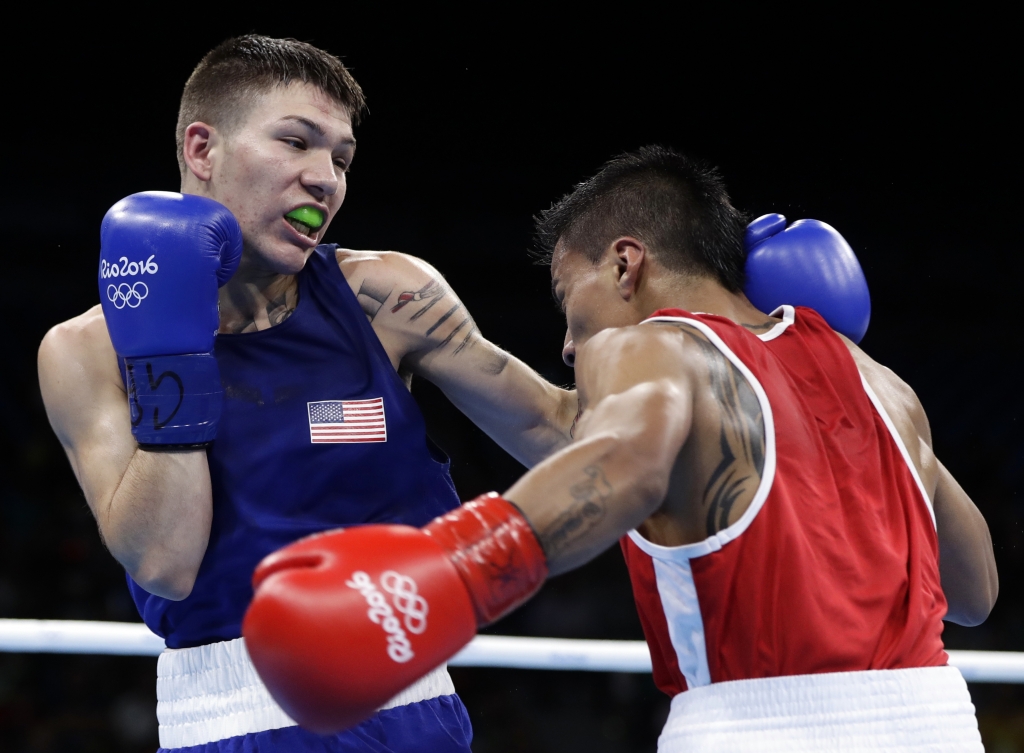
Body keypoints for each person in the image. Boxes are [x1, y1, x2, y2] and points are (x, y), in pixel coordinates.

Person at [244, 146, 999, 751]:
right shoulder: (879, 384)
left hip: (755, 726)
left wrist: (441, 577)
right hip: (939, 721)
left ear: (625, 263)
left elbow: (626, 463)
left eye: (570, 303)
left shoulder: (642, 345)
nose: (571, 345)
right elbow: (973, 592)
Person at [36, 35, 578, 752]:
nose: (325, 178)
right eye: (296, 141)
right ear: (202, 149)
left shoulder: (387, 297)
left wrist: (706, 326)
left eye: (342, 158)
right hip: (219, 719)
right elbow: (165, 561)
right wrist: (173, 345)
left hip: (406, 707)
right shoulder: (85, 351)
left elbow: (563, 432)